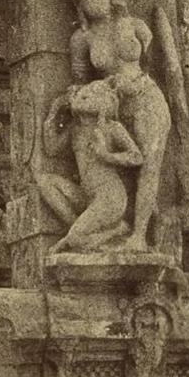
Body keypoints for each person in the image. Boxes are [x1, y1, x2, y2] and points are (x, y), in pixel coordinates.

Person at [64, 0, 173, 251]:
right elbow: (78, 81)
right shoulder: (81, 40)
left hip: (146, 98)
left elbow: (151, 59)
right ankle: (126, 228)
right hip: (114, 111)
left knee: (150, 163)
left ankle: (139, 235)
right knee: (125, 171)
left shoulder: (134, 25)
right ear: (79, 4)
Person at [46, 81, 146, 254]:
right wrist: (51, 116)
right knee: (46, 181)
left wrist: (107, 156)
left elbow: (137, 157)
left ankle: (111, 231)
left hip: (110, 197)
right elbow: (51, 149)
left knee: (77, 240)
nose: (78, 98)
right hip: (88, 196)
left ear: (102, 102)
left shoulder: (111, 128)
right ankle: (78, 230)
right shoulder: (75, 129)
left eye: (87, 96)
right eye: (80, 96)